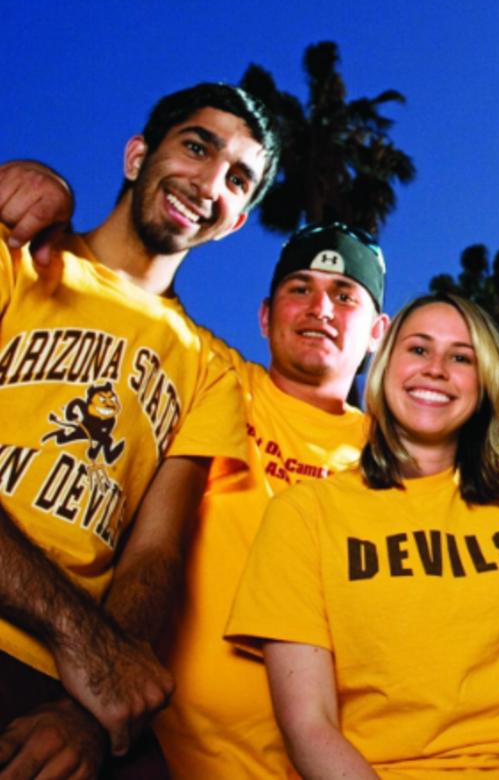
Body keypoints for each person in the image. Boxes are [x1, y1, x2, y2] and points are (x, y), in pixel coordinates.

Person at [0, 82, 279, 779]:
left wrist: (89, 712)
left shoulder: (212, 370)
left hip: (62, 678)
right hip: (79, 646)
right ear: (136, 155)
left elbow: (155, 553)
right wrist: (86, 642)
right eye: (197, 146)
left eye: (238, 179)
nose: (210, 180)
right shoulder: (21, 256)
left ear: (235, 220)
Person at [225, 294, 499, 780]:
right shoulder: (302, 515)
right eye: (418, 349)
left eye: (461, 357)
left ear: (485, 382)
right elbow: (307, 723)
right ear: (384, 367)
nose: (437, 369)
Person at [150, 223, 389, 779]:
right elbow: (134, 292)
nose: (319, 308)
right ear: (264, 316)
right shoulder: (217, 379)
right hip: (161, 753)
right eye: (299, 288)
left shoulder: (401, 454)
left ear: (377, 331)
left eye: (345, 295)